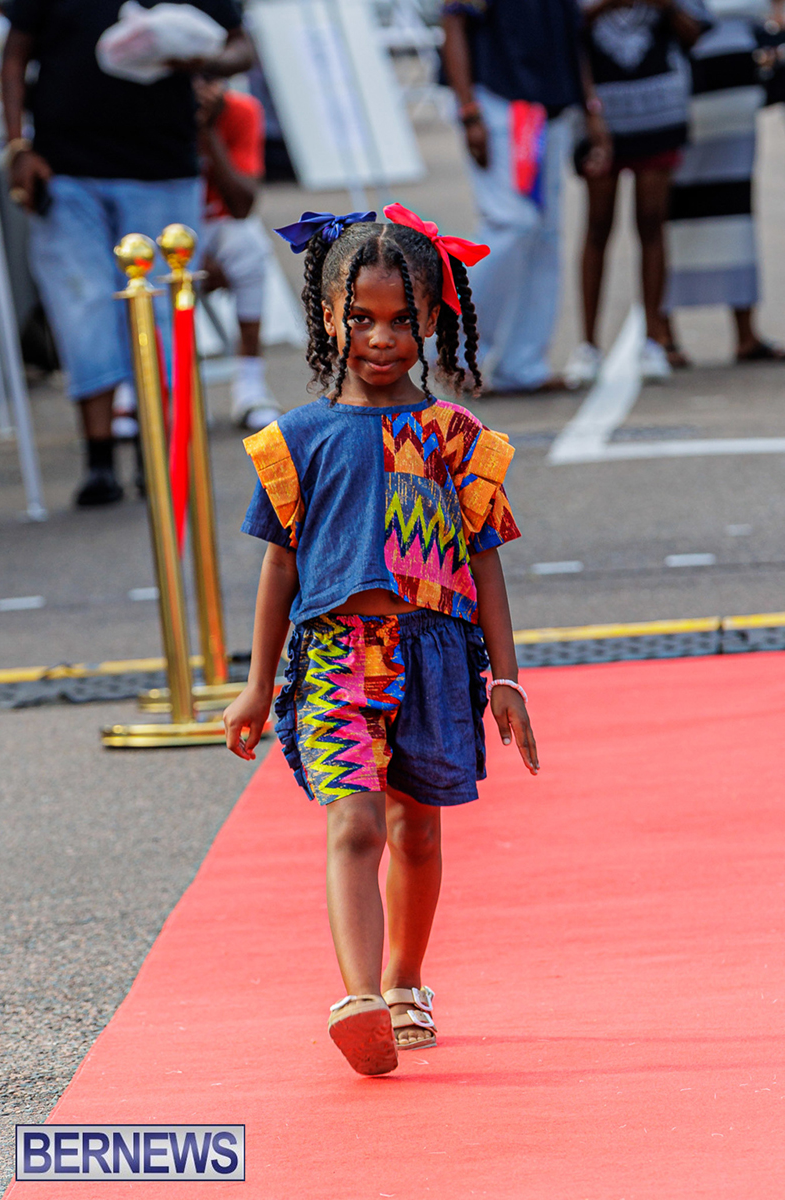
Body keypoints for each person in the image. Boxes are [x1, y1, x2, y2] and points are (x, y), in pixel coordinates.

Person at [222, 206, 539, 1076]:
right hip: (335, 658)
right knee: (354, 822)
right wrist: (256, 684)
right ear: (330, 317)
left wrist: (506, 678)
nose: (381, 338)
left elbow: (485, 562)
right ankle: (359, 998)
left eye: (402, 320)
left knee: (418, 833)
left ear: (432, 317)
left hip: (435, 656)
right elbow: (280, 567)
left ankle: (405, 981)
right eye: (361, 318)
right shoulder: (298, 438)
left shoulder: (457, 440)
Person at [1, 0, 253, 507]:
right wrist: (17, 147)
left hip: (163, 169)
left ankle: (156, 450)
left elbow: (241, 44)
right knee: (83, 307)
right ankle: (100, 459)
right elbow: (14, 54)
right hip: (67, 170)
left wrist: (205, 61)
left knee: (160, 310)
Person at [441, 0, 611, 394]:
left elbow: (572, 32)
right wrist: (469, 111)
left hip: (551, 107)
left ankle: (523, 364)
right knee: (512, 225)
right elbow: (454, 22)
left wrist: (591, 108)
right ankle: (452, 351)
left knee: (545, 238)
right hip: (499, 102)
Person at [565, 0, 711, 389]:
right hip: (599, 113)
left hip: (659, 105)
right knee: (598, 224)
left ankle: (654, 341)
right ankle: (588, 346)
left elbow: (695, 32)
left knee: (651, 222)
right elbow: (563, 31)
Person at [663, 0, 784, 366]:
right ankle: (662, 332)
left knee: (736, 203)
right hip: (678, 72)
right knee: (667, 206)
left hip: (737, 75)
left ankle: (745, 332)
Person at [195, 76, 281, 431]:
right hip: (164, 226)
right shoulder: (151, 110)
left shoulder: (241, 110)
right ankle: (142, 386)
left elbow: (243, 204)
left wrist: (208, 130)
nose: (204, 89)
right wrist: (192, 259)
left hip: (217, 223)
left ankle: (250, 383)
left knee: (249, 245)